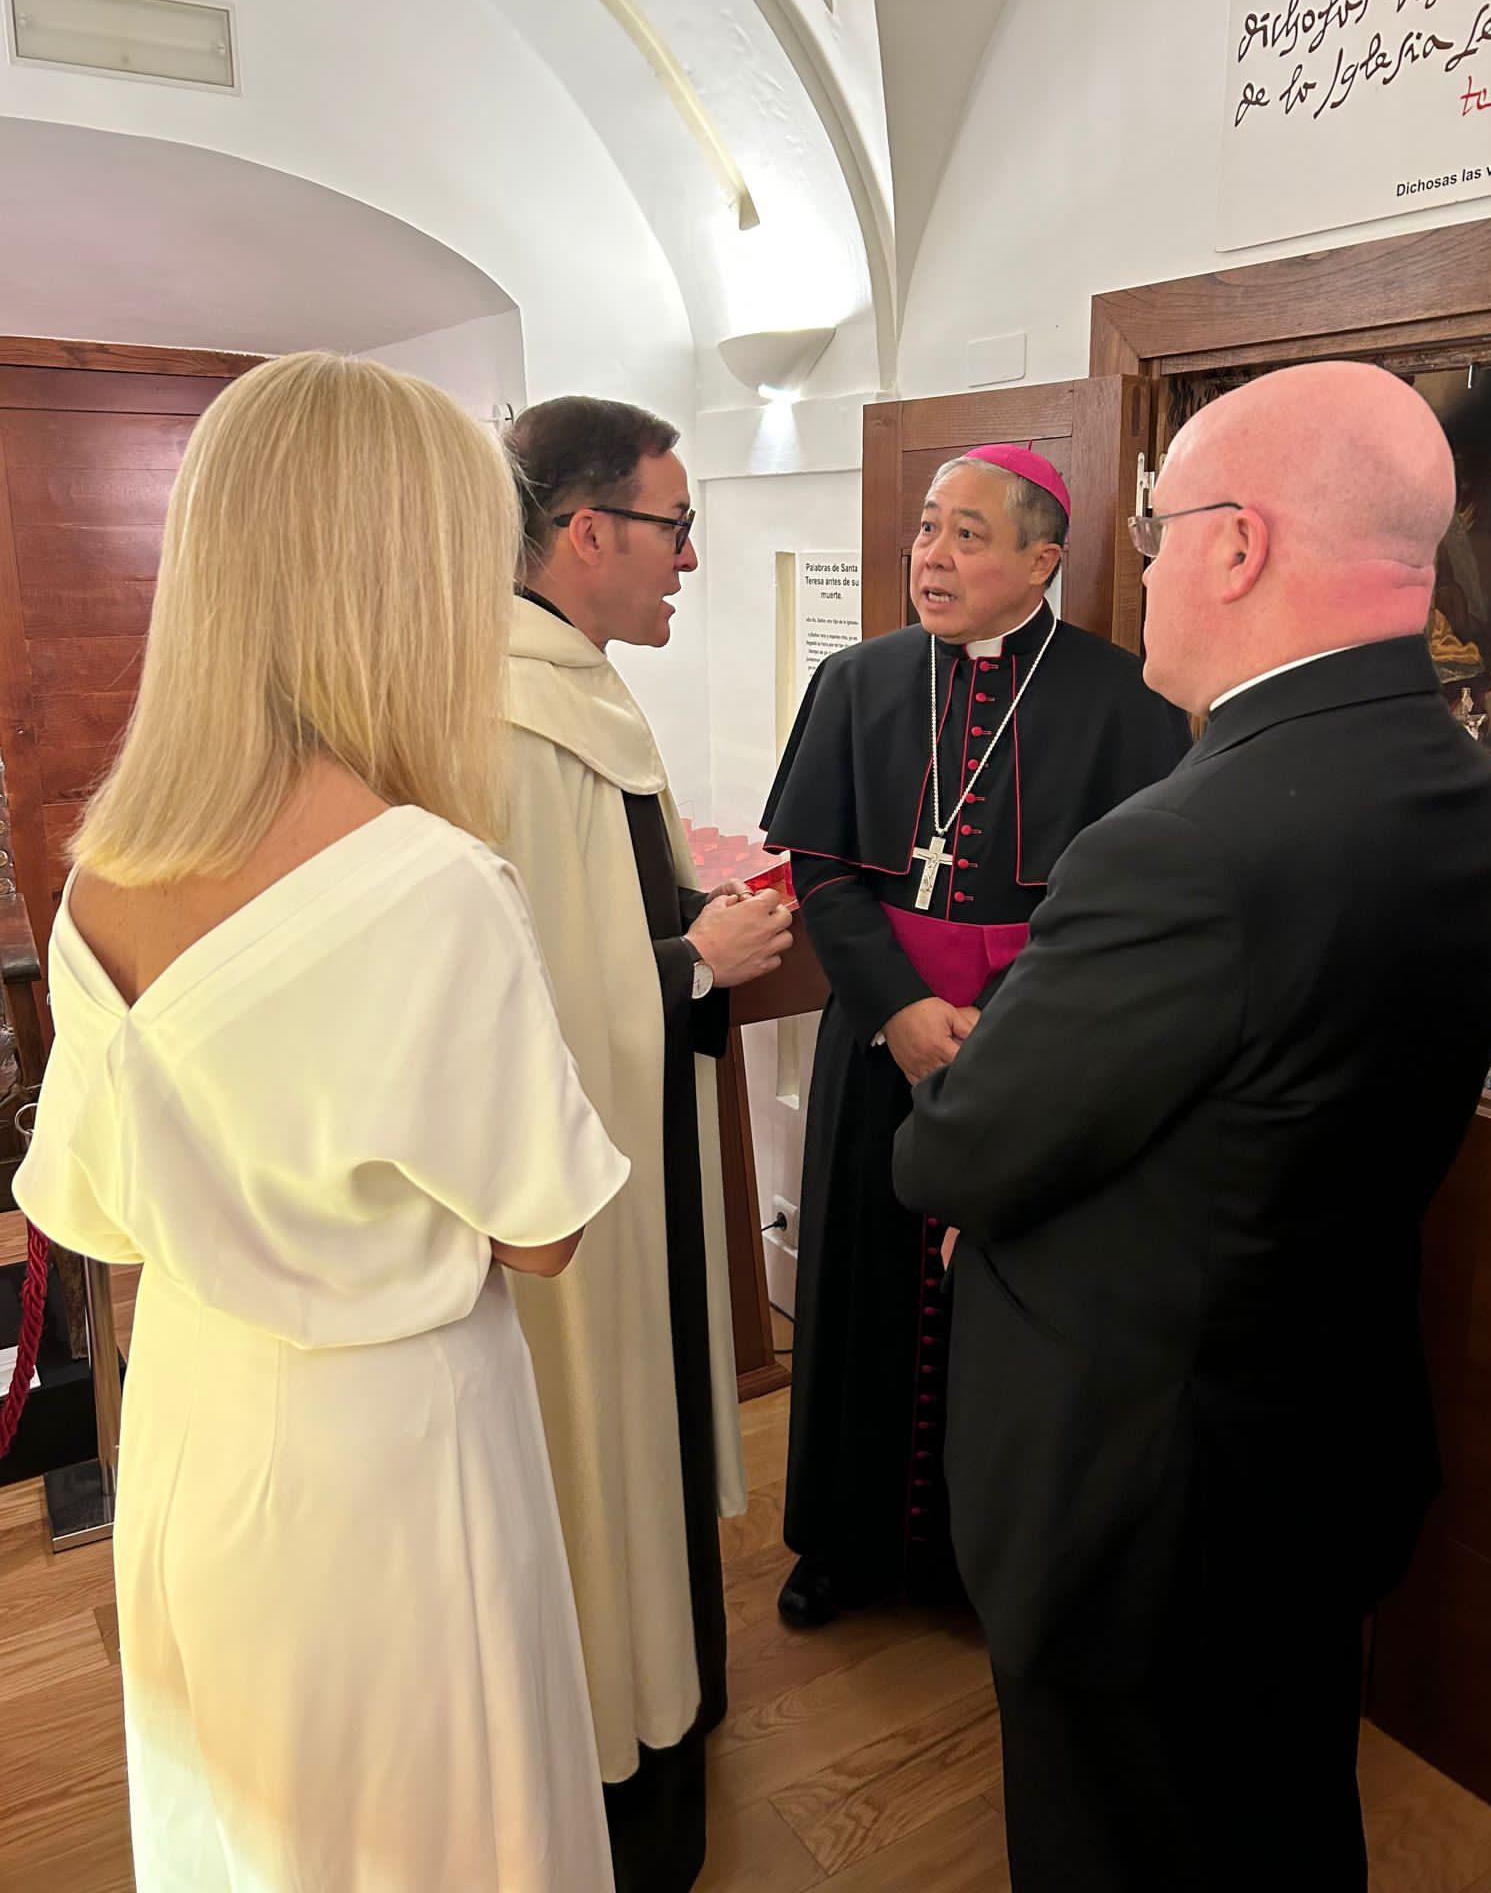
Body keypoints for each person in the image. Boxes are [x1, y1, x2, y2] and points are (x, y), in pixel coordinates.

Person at [894, 362, 1491, 1892]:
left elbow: (958, 1152)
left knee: (1123, 1841)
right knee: (1277, 1814)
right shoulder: (1466, 792)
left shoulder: (1185, 841)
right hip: (1314, 1440)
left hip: (1142, 1493)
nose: (1149, 567)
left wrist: (988, 1137)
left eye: (1163, 529)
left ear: (1239, 547)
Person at [12, 353, 629, 1891]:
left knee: (241, 1823)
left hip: (199, 1425)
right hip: (393, 1451)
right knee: (436, 1829)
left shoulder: (104, 873)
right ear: (406, 577)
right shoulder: (432, 883)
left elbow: (84, 1213)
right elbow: (542, 1233)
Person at [761, 444, 1191, 1628]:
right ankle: (840, 1541)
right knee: (858, 1283)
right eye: (926, 531)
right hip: (877, 1034)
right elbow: (826, 867)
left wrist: (1007, 1022)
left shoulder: (1125, 700)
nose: (931, 557)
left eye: (967, 534)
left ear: (1043, 559)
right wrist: (900, 1008)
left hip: (1034, 1052)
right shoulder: (856, 682)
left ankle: (974, 1560)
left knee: (1009, 1305)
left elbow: (1124, 903)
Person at [497, 396, 792, 1893]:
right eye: (675, 528)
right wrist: (697, 962)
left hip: (636, 1145)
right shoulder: (507, 717)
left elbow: (608, 931)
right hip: (578, 1201)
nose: (693, 558)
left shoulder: (578, 689)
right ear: (587, 529)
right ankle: (622, 1736)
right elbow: (518, 999)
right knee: (599, 1438)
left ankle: (670, 1687)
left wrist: (690, 941)